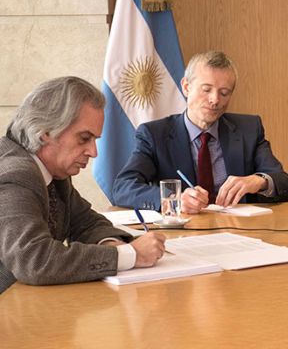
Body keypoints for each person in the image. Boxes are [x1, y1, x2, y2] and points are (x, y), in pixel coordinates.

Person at [0, 77, 166, 293]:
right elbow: (35, 261)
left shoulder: (52, 170)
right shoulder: (16, 175)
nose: (93, 152)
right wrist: (129, 255)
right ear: (45, 131)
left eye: (95, 139)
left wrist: (110, 244)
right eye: (84, 138)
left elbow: (86, 223)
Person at [112, 51, 288, 213]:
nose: (215, 100)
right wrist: (174, 199)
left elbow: (286, 184)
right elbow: (123, 188)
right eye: (206, 89)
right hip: (184, 235)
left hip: (239, 231)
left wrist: (258, 181)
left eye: (224, 93)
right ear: (186, 87)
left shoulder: (248, 129)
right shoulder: (154, 134)